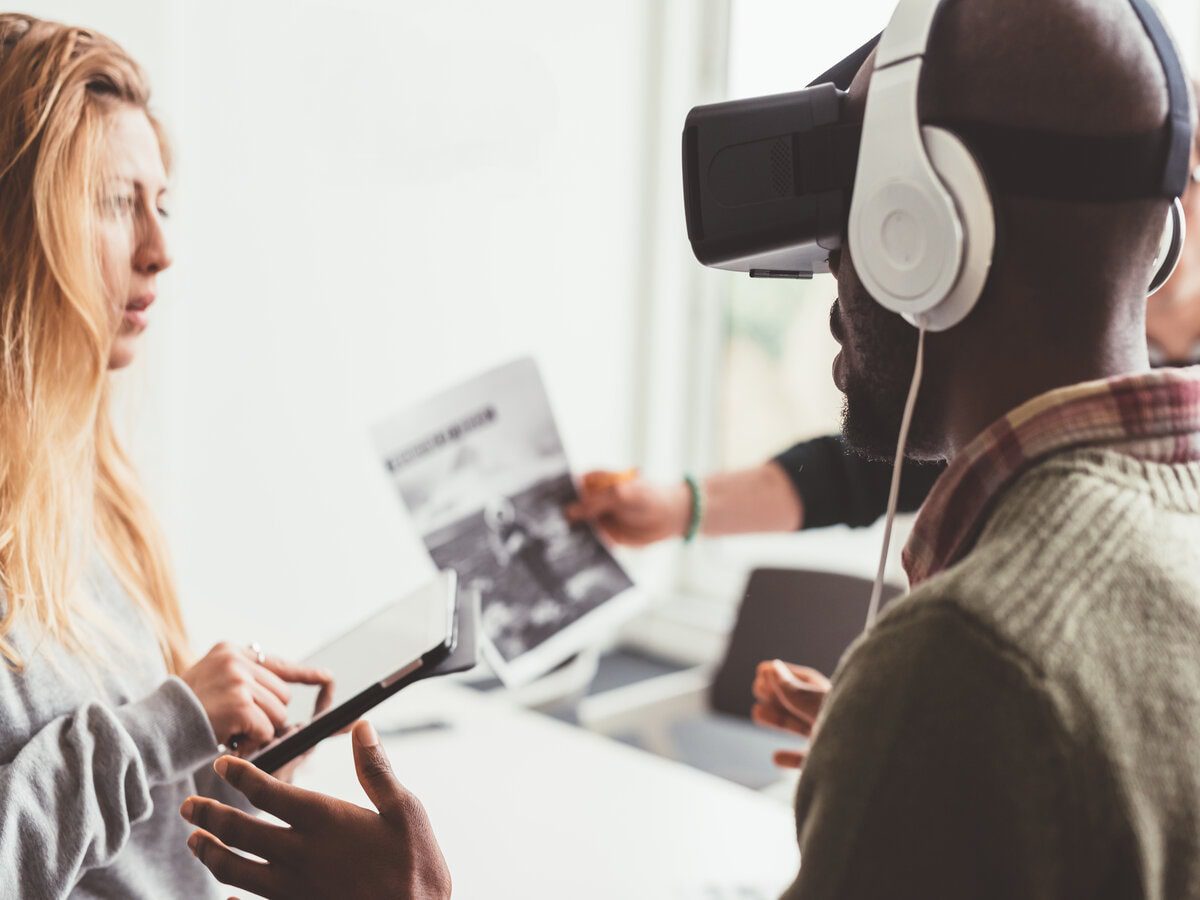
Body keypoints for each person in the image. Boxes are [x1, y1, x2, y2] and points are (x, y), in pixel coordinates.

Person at [181, 0, 1200, 897]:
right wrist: (905, 751)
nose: (829, 291)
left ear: (922, 231)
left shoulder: (968, 661)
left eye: (845, 229)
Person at [0, 15, 332, 897]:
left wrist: (220, 776)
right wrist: (166, 722)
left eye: (163, 201)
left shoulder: (91, 492)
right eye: (116, 203)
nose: (160, 249)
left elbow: (124, 849)